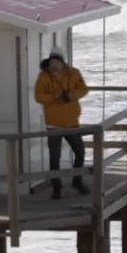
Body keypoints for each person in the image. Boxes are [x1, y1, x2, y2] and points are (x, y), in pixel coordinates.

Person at [34, 46, 90, 200]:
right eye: (52, 60)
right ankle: (56, 187)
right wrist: (56, 96)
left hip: (72, 122)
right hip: (53, 124)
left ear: (62, 61)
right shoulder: (44, 76)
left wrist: (70, 95)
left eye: (57, 60)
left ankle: (77, 182)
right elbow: (39, 97)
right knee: (54, 157)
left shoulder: (74, 73)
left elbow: (84, 89)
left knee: (80, 152)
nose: (54, 63)